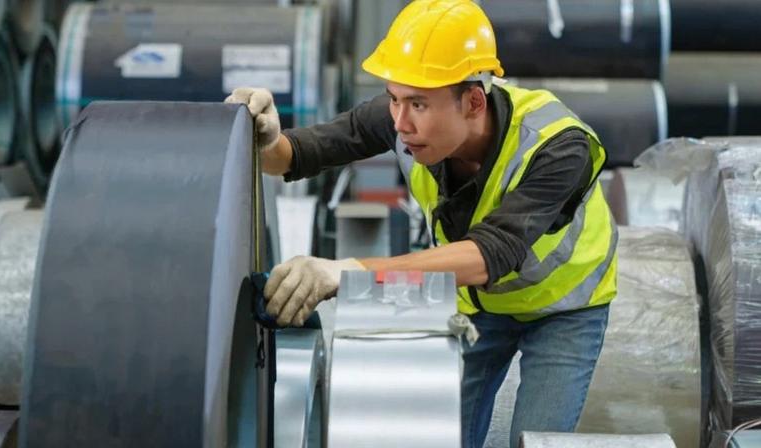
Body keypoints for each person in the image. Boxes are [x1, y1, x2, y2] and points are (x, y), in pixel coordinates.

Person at [226, 1, 617, 446]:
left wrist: (348, 272)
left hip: (563, 311)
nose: (400, 121)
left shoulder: (558, 146)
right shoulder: (400, 118)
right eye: (393, 98)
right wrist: (267, 136)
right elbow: (297, 155)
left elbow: (491, 254)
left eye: (417, 103)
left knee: (537, 440)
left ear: (472, 101)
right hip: (481, 308)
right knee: (444, 437)